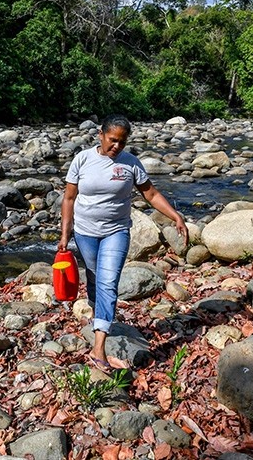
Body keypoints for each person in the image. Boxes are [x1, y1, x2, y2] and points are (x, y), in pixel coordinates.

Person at [58, 114, 188, 372]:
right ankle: (100, 318)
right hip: (84, 232)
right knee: (94, 279)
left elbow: (150, 193)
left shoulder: (130, 164)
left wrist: (175, 216)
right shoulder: (82, 159)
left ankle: (98, 349)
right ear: (101, 135)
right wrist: (65, 234)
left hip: (116, 232)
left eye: (122, 142)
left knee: (108, 282)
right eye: (112, 140)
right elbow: (69, 198)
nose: (116, 146)